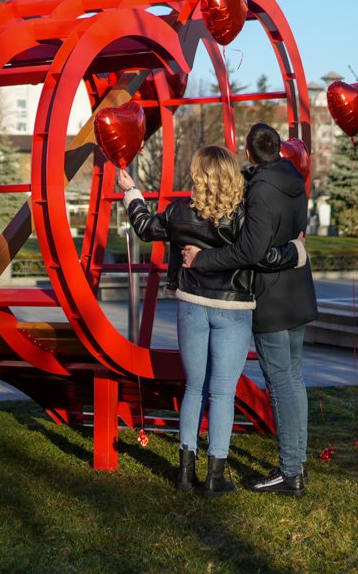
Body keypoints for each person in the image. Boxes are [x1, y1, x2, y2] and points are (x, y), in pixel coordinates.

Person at [116, 147, 301, 496]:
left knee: (194, 389)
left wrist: (131, 191)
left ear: (198, 175)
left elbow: (143, 227)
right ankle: (215, 477)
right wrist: (296, 252)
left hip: (191, 306)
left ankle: (185, 474)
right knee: (222, 394)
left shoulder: (178, 211)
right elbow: (260, 257)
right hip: (232, 309)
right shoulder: (243, 216)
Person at [182, 123, 314, 497]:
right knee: (294, 379)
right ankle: (297, 462)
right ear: (280, 150)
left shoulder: (259, 191)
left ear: (248, 150)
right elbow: (296, 236)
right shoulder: (293, 179)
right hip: (298, 291)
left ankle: (290, 473)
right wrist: (295, 253)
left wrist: (202, 259)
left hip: (271, 297)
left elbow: (250, 252)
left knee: (280, 384)